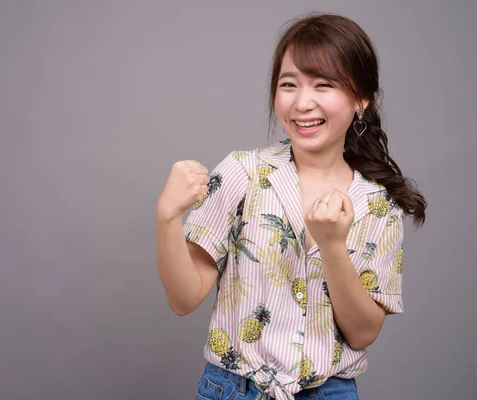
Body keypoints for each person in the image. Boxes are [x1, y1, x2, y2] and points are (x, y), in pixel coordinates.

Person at [156, 12, 426, 400]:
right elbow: (183, 300)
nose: (302, 102)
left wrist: (333, 246)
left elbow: (363, 333)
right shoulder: (242, 174)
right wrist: (167, 217)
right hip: (234, 390)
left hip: (329, 392)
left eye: (324, 84)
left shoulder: (379, 207)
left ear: (361, 100)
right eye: (289, 84)